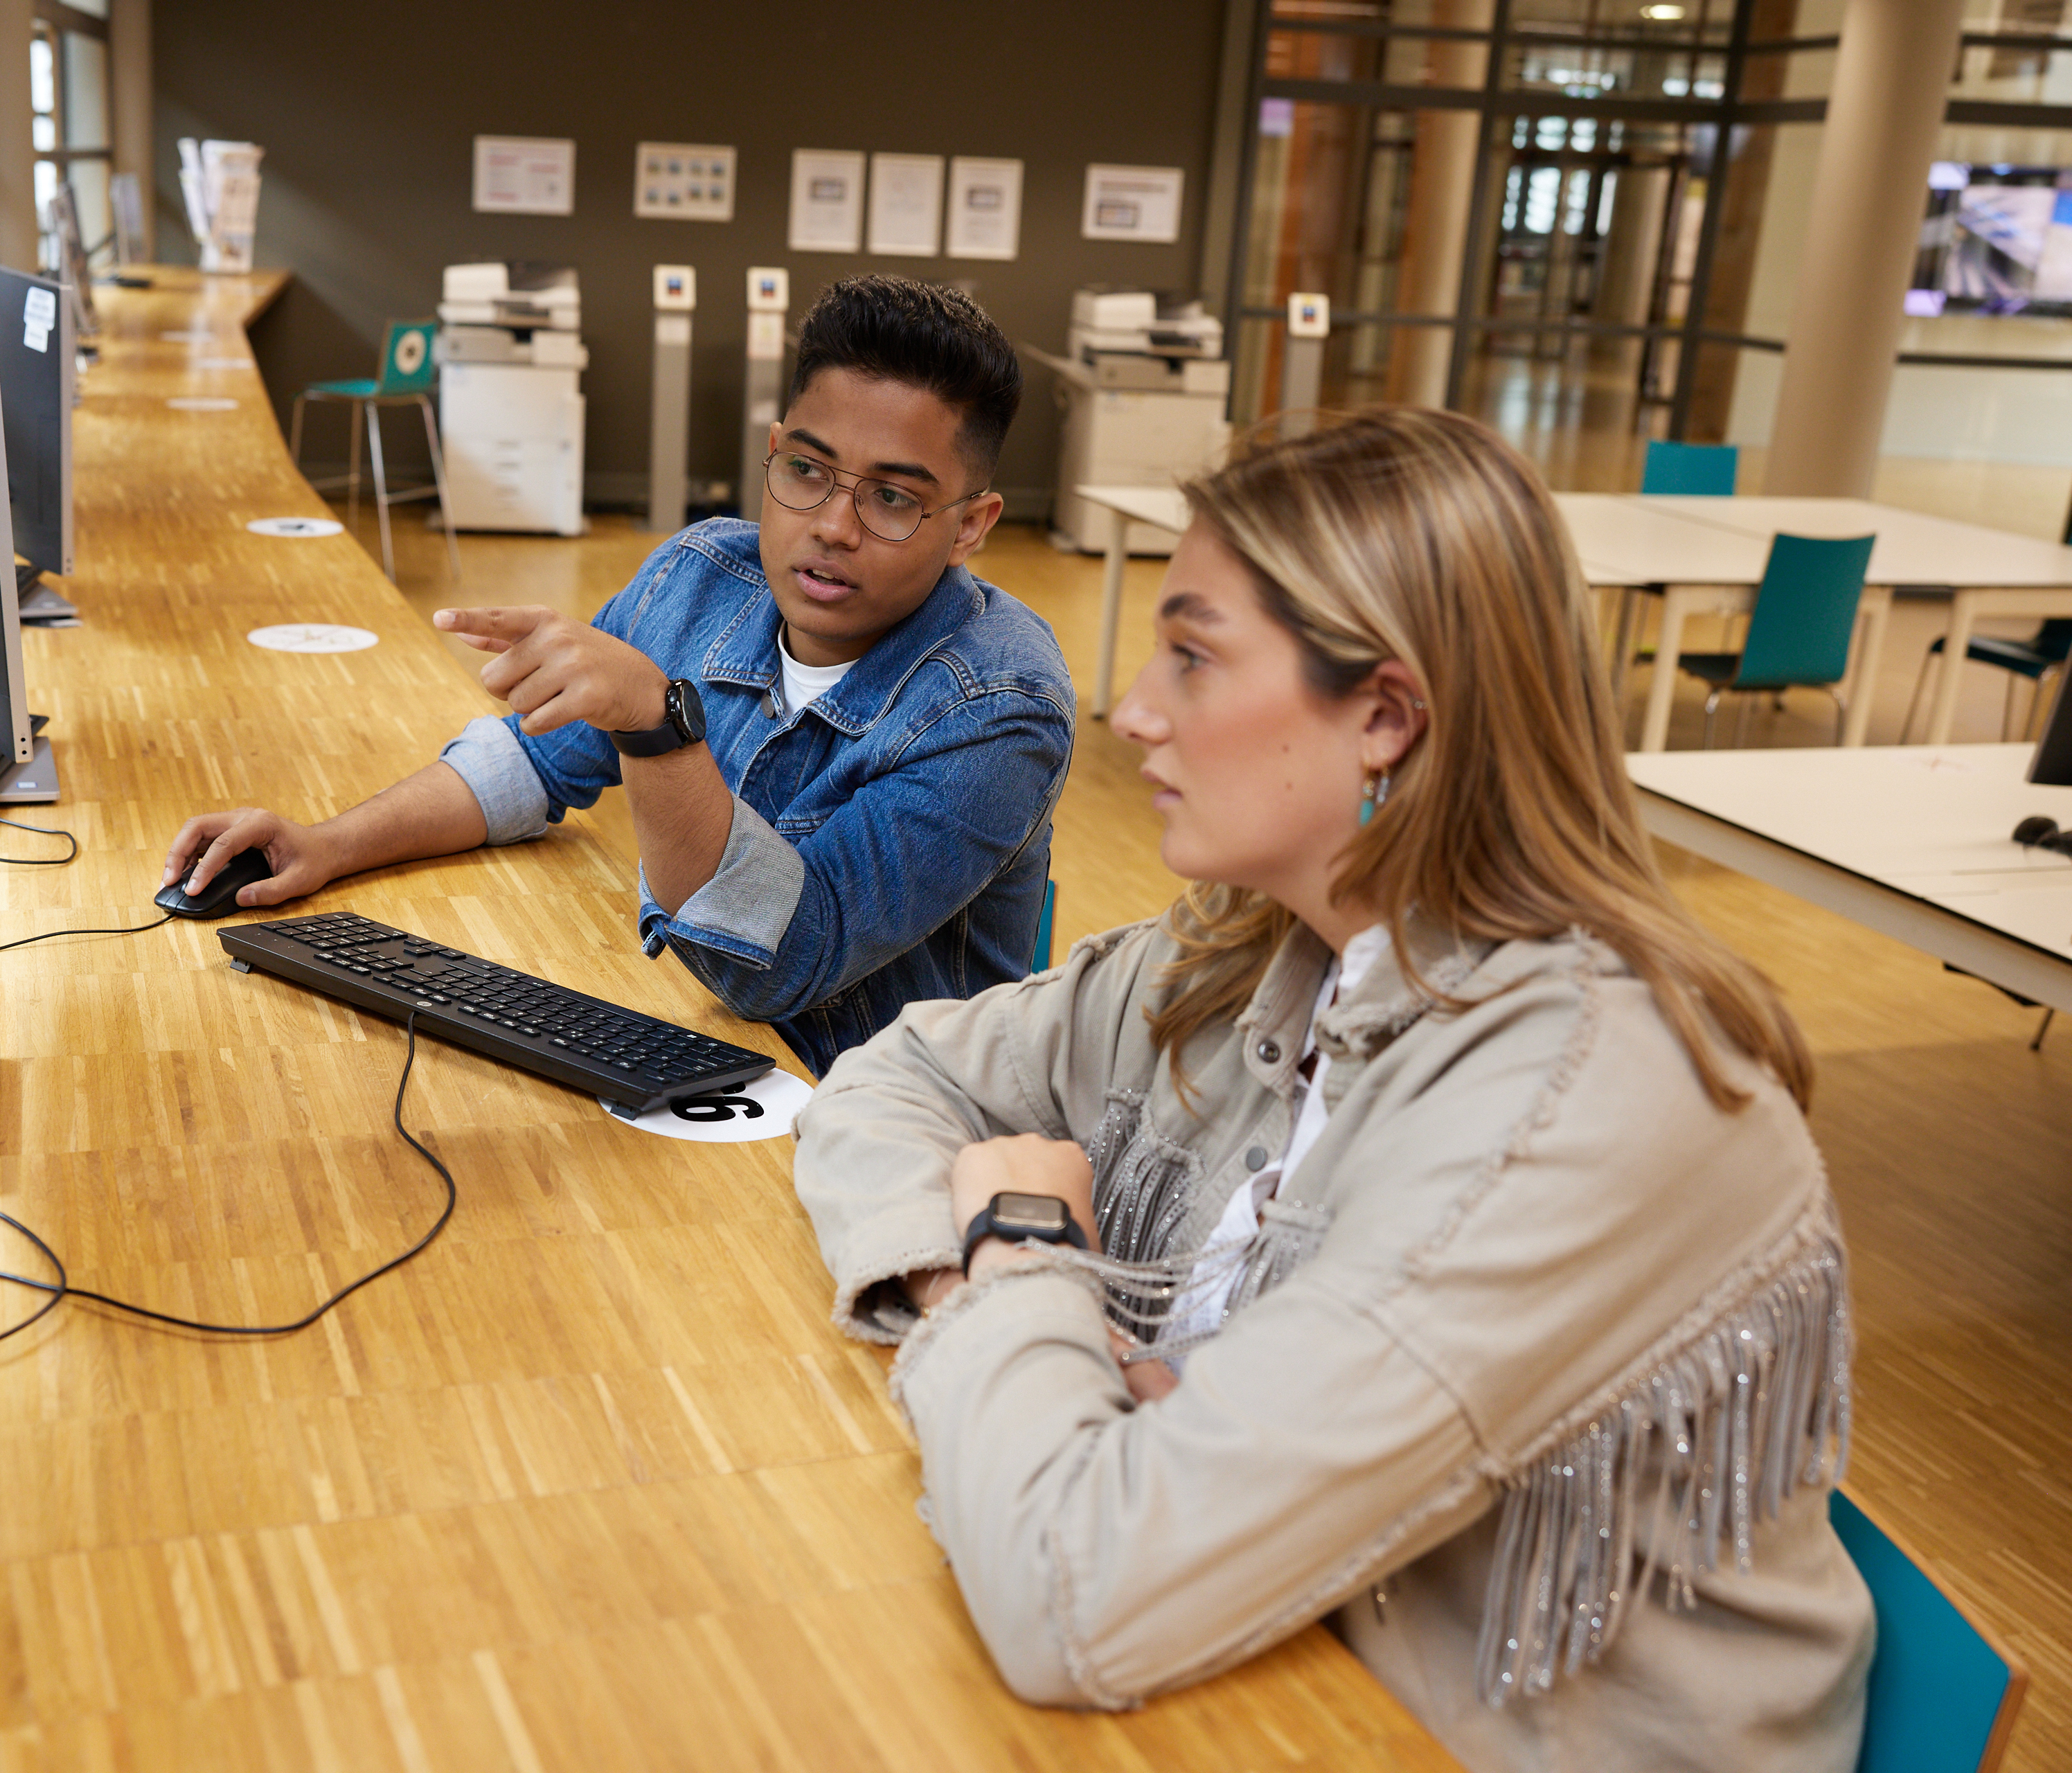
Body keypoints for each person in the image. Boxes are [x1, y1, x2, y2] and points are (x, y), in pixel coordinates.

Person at [792, 409, 1873, 1770]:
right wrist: (984, 1300)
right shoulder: (1252, 941)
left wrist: (1025, 1260)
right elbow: (893, 1075)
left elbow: (1076, 1592)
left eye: (1192, 653)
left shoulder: (1590, 1097)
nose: (1131, 710)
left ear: (1385, 715)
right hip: (1284, 1675)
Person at [162, 276, 1074, 1074]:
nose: (834, 525)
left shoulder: (1001, 707)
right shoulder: (703, 575)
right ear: (774, 450)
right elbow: (531, 764)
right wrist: (328, 846)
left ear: (971, 525)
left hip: (879, 1117)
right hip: (706, 1051)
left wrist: (656, 724)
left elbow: (786, 964)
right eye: (807, 470)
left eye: (892, 498)